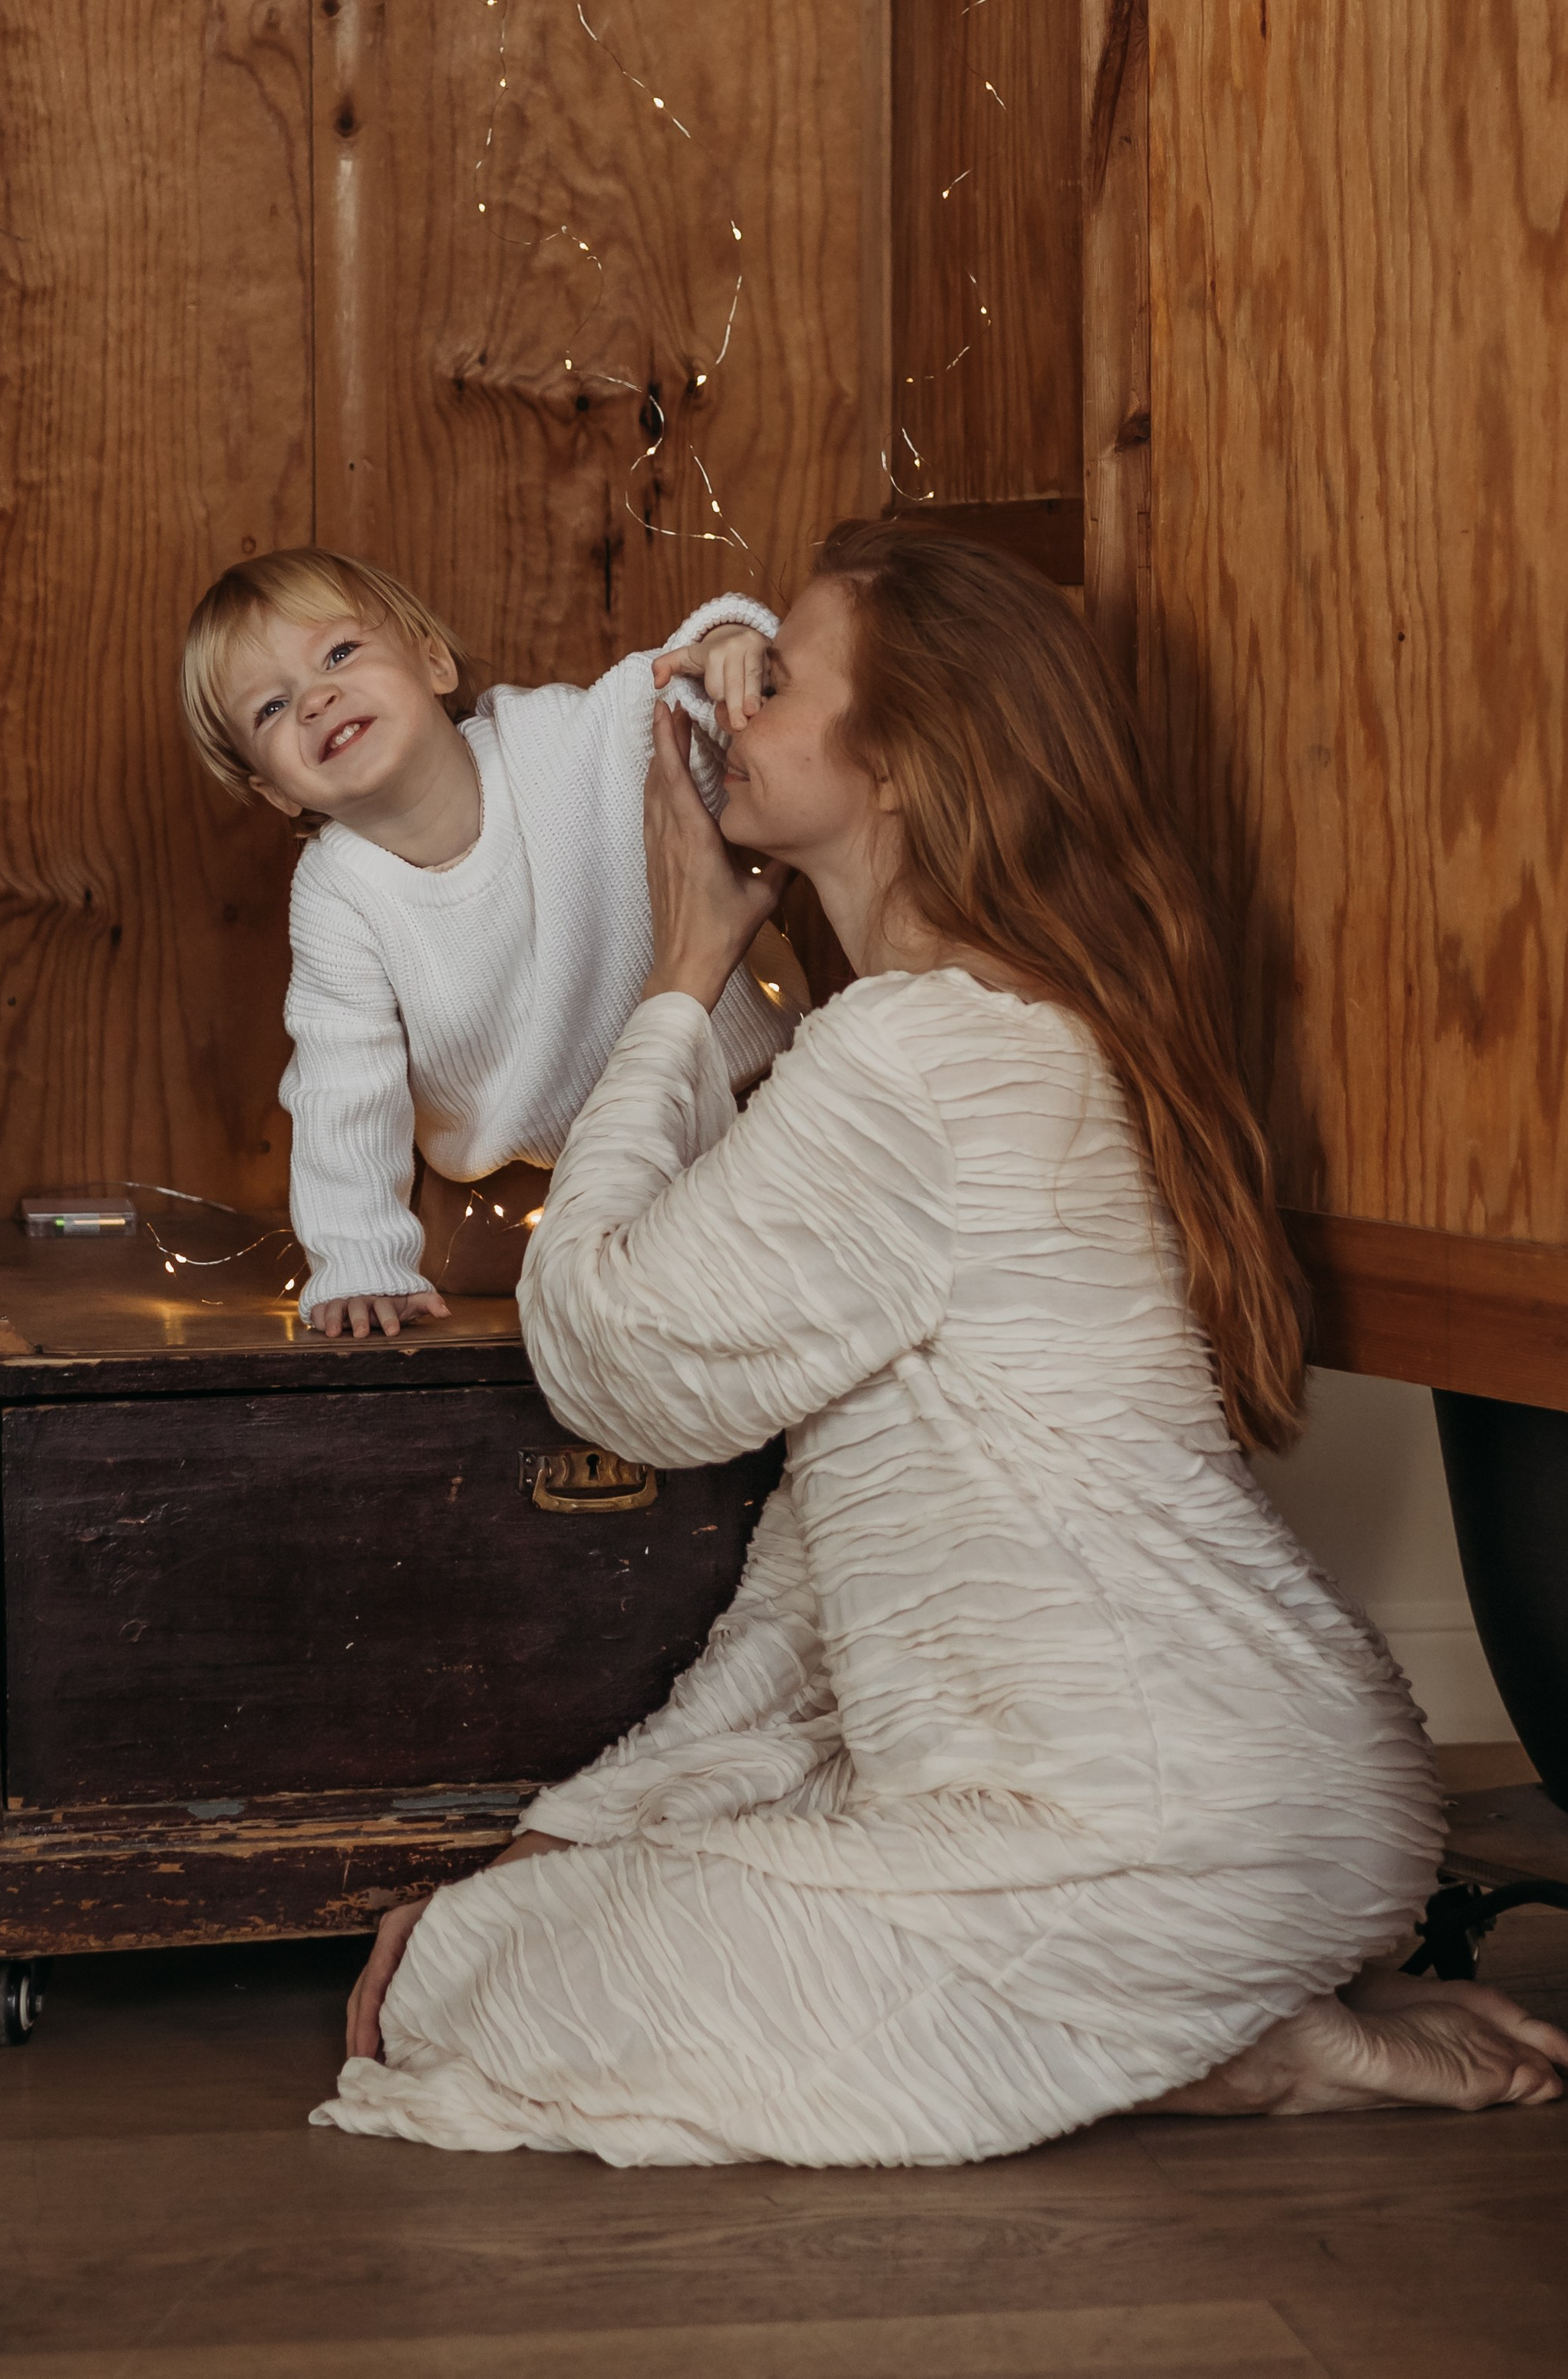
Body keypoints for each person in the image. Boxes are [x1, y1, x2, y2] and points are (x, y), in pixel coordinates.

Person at [315, 521, 1566, 2163]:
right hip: (1256, 1792)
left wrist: (685, 967)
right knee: (546, 1910)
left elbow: (599, 1340)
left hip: (1151, 1817)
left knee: (461, 1988)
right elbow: (812, 1585)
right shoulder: (1009, 1024)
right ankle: (1205, 2007)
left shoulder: (910, 1054)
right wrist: (568, 1837)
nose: (723, 707)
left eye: (774, 681)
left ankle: (1217, 2045)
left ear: (895, 763)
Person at [179, 549, 803, 1337]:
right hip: (530, 1187)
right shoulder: (339, 893)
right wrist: (359, 1262)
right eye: (270, 709)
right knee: (486, 1267)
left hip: (737, 1116)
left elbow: (669, 688)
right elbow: (342, 1083)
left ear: (433, 663)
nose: (316, 699)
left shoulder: (558, 742)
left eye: (339, 654)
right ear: (272, 792)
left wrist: (730, 649)